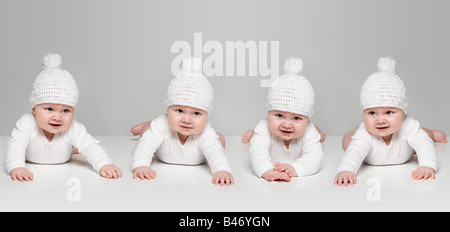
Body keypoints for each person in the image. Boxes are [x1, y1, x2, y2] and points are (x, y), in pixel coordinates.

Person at [5, 53, 122, 182]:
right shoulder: (27, 123)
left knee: (83, 145)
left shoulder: (73, 127)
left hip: (64, 162)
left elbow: (91, 146)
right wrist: (16, 167)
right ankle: (73, 148)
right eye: (49, 109)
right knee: (21, 143)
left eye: (66, 110)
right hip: (35, 163)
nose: (57, 117)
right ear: (34, 109)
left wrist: (104, 164)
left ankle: (74, 148)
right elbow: (16, 145)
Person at [334, 56, 447, 186]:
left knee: (423, 136)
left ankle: (430, 132)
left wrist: (427, 165)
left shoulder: (407, 125)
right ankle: (356, 129)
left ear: (403, 112)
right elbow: (354, 153)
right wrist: (346, 170)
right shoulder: (364, 133)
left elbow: (424, 145)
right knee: (348, 143)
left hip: (404, 149)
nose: (380, 120)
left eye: (389, 112)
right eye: (372, 113)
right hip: (370, 149)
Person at [131, 57, 234, 186]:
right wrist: (141, 165)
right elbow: (146, 145)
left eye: (196, 113)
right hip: (162, 143)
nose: (187, 120)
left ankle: (152, 123)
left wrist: (222, 170)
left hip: (201, 149)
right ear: (168, 109)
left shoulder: (205, 133)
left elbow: (215, 152)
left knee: (219, 141)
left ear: (206, 115)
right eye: (179, 111)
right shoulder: (162, 125)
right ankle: (145, 126)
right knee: (147, 133)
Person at [248, 57, 323, 182]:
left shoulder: (310, 130)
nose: (287, 124)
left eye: (297, 118)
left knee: (317, 142)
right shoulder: (263, 127)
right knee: (254, 142)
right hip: (270, 170)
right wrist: (267, 170)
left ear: (307, 118)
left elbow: (315, 157)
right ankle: (252, 134)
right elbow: (257, 152)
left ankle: (321, 134)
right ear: (269, 112)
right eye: (279, 115)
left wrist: (295, 169)